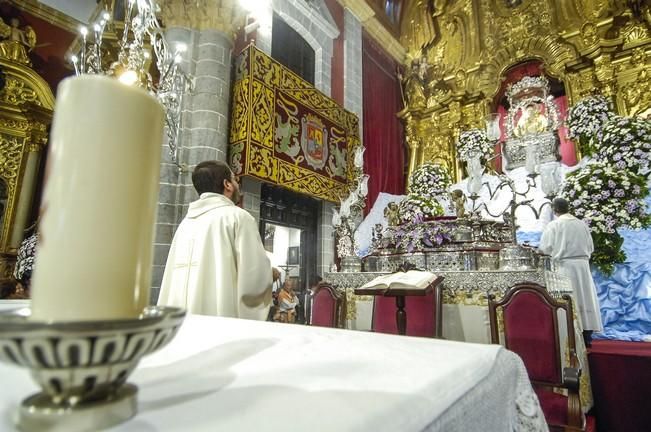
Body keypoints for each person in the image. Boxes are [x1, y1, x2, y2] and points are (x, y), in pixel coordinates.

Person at [158, 160, 272, 320]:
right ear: (227, 185)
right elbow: (254, 278)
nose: (237, 184)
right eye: (234, 179)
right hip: (220, 325)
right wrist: (270, 273)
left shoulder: (184, 224)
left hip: (178, 328)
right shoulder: (237, 217)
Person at [539, 198, 603, 345]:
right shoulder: (582, 224)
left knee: (570, 298)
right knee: (585, 297)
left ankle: (570, 335)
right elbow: (591, 247)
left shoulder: (554, 225)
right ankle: (587, 335)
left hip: (565, 266)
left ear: (555, 210)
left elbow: (545, 249)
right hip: (583, 266)